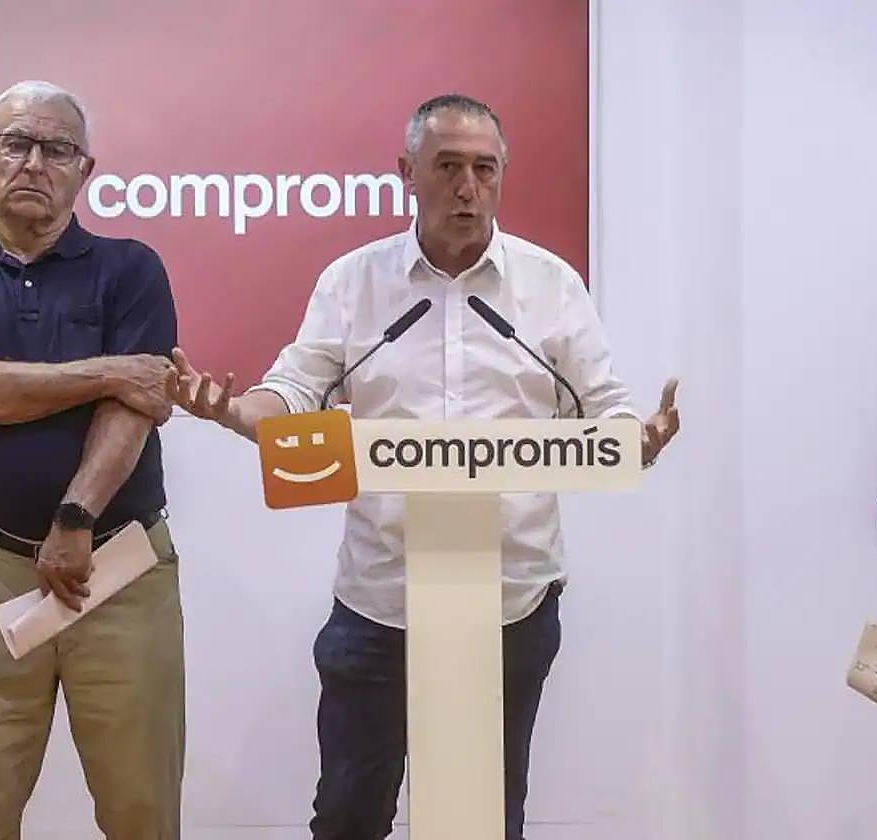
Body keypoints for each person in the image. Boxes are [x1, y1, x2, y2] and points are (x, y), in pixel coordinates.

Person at [173, 93, 680, 840]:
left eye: (485, 168)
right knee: (348, 816)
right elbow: (294, 392)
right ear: (407, 172)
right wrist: (235, 412)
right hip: (381, 598)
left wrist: (634, 441)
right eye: (447, 167)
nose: (468, 187)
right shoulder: (354, 282)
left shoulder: (550, 285)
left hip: (509, 601)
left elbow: (603, 408)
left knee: (484, 820)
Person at [0, 80, 185, 839]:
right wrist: (107, 369)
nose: (33, 162)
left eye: (56, 149)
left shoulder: (131, 268)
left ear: (85, 169)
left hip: (117, 564)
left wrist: (75, 517)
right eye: (16, 143)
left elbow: (135, 406)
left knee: (141, 806)